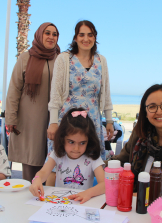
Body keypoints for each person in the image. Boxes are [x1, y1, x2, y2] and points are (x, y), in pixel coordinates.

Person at [46, 20, 113, 184]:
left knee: (91, 162)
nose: (86, 39)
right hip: (66, 120)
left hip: (93, 122)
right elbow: (55, 92)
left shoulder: (101, 60)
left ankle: (88, 198)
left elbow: (106, 92)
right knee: (56, 163)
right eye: (81, 34)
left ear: (95, 38)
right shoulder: (64, 59)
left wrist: (109, 120)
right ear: (75, 37)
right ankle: (47, 201)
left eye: (90, 35)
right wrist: (53, 122)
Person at [6, 22, 60, 182]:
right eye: (47, 33)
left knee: (53, 160)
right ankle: (29, 196)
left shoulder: (61, 59)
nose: (51, 37)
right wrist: (11, 117)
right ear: (39, 35)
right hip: (30, 118)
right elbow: (14, 89)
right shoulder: (26, 57)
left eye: (55, 34)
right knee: (31, 159)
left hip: (54, 118)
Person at [29, 108, 105, 204]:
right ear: (62, 138)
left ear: (89, 141)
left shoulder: (93, 158)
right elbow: (43, 172)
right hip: (59, 203)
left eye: (82, 143)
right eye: (71, 142)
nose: (76, 148)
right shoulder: (57, 154)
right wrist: (37, 179)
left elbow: (105, 185)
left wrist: (88, 193)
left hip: (82, 204)